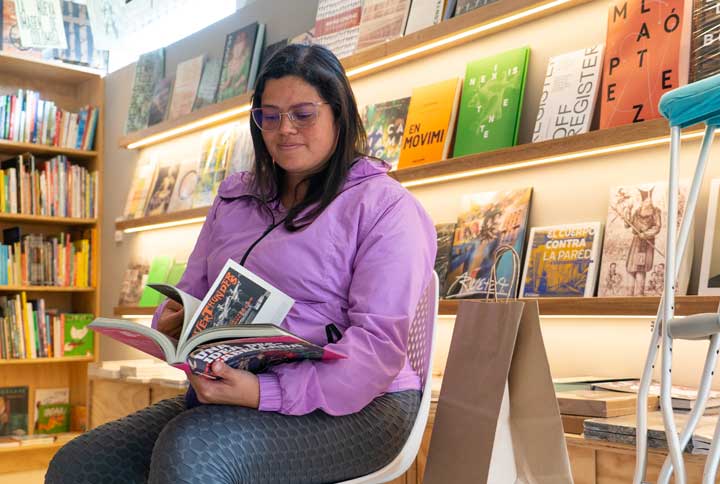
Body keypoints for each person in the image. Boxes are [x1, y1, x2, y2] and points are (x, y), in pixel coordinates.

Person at [47, 44, 436, 484]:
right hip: (235, 393)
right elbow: (190, 290)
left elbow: (377, 350)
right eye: (269, 116)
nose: (284, 130)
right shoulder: (235, 198)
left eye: (302, 114)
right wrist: (177, 321)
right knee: (79, 464)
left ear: (339, 113)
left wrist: (265, 392)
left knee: (193, 453)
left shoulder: (387, 208)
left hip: (363, 406)